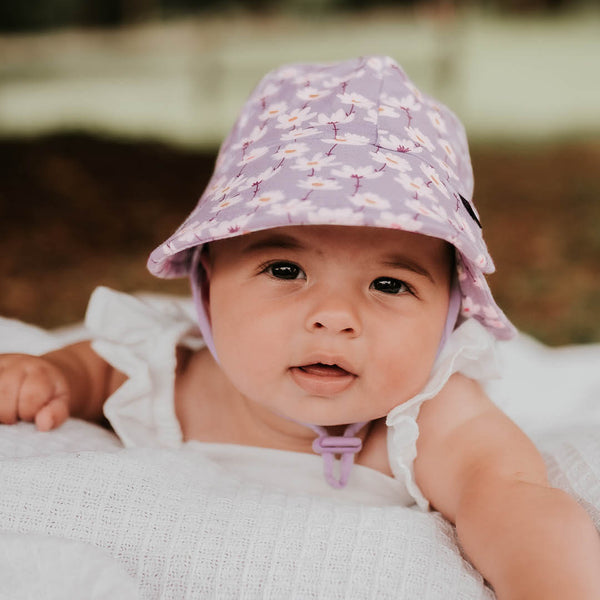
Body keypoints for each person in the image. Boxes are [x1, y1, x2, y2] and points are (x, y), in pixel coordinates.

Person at [1, 56, 599, 598]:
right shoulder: (169, 370)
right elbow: (95, 366)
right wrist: (50, 373)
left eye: (390, 284)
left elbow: (514, 501)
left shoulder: (432, 419)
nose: (335, 316)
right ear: (206, 287)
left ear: (450, 314)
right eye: (285, 269)